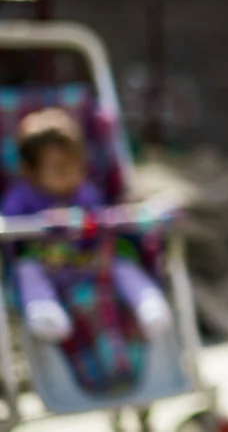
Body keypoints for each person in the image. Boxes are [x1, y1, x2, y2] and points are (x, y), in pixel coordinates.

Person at [2, 108, 172, 343]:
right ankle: (44, 313)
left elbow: (100, 220)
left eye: (76, 166)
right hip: (47, 265)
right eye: (60, 168)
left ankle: (148, 303)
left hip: (85, 264)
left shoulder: (85, 193)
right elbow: (8, 227)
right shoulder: (21, 197)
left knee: (120, 262)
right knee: (26, 271)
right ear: (31, 171)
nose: (71, 175)